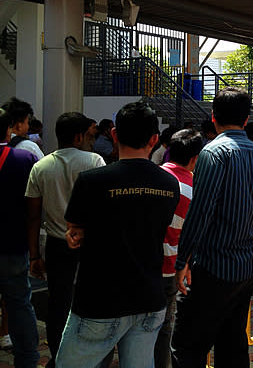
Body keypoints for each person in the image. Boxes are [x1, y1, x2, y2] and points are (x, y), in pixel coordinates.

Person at [56, 102, 180, 367]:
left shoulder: (91, 181)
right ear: (155, 139)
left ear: (113, 134)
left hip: (100, 299)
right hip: (149, 297)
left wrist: (76, 235)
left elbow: (74, 229)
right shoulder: (169, 184)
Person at [170, 88, 253, 368]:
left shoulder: (213, 153)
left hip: (213, 267)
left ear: (213, 117)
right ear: (246, 119)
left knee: (188, 346)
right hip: (249, 266)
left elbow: (200, 213)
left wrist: (182, 260)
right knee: (233, 344)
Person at [24, 112, 106, 367]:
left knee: (58, 303)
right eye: (89, 135)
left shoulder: (41, 166)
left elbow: (33, 216)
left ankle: (59, 355)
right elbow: (104, 209)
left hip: (57, 244)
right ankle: (89, 356)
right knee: (92, 299)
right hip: (90, 243)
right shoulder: (94, 161)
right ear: (78, 136)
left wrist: (35, 255)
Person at [154, 129, 203, 368]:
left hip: (142, 263)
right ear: (195, 158)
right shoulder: (196, 190)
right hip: (171, 267)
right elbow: (192, 236)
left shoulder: (152, 176)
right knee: (164, 329)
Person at [0, 108, 40, 368]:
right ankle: (27, 359)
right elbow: (33, 209)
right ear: (9, 129)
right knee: (19, 303)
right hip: (12, 245)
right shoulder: (23, 159)